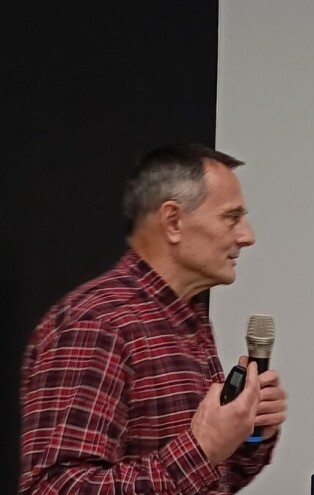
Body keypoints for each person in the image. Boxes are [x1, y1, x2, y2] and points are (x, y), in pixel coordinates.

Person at [18, 143, 287, 494]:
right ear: (173, 222)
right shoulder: (97, 324)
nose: (247, 236)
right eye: (231, 218)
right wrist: (202, 449)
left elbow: (208, 480)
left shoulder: (184, 319)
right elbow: (55, 488)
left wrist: (248, 433)